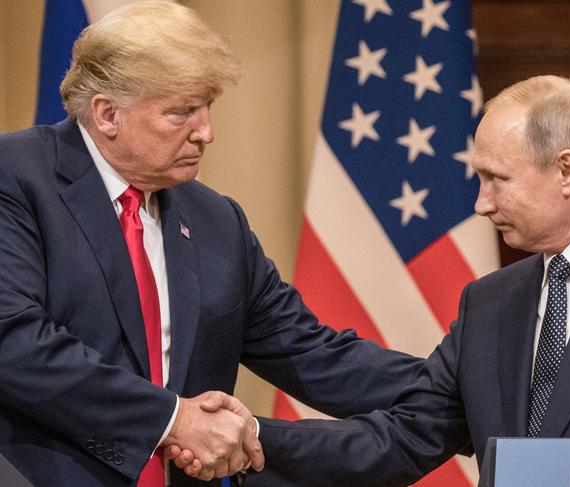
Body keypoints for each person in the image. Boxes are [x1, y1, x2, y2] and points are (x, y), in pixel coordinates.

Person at [0, 2, 423, 486]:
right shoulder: (15, 179)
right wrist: (175, 419)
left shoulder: (216, 218)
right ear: (107, 113)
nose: (206, 132)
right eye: (182, 112)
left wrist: (462, 386)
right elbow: (14, 344)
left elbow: (310, 351)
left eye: (207, 107)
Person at [243, 75, 570, 486]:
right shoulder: (490, 303)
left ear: (566, 170)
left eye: (497, 179)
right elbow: (404, 436)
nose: (481, 203)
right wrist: (248, 440)